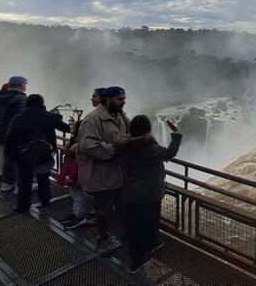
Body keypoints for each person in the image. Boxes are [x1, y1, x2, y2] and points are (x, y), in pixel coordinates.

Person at [77, 86, 143, 253]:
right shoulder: (93, 119)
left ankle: (127, 234)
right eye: (120, 99)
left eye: (123, 98)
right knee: (103, 209)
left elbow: (129, 132)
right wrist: (116, 147)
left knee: (121, 205)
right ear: (108, 100)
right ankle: (103, 239)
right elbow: (87, 146)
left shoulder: (119, 115)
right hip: (100, 174)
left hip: (117, 172)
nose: (124, 102)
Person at [120, 116, 182, 273]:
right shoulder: (147, 148)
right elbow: (169, 152)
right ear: (147, 130)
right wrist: (176, 134)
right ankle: (143, 254)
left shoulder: (125, 145)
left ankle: (139, 255)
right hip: (149, 193)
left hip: (130, 192)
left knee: (135, 225)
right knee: (147, 222)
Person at [5, 94, 70, 213]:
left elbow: (10, 138)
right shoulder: (48, 116)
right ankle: (45, 200)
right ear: (41, 103)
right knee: (44, 177)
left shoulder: (19, 118)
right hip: (44, 151)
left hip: (25, 154)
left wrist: (12, 155)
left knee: (24, 180)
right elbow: (66, 128)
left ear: (27, 104)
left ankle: (23, 206)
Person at [0, 76, 28, 192]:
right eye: (24, 84)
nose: (25, 86)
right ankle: (20, 187)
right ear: (20, 85)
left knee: (5, 162)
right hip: (15, 138)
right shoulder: (20, 99)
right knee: (20, 162)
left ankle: (7, 184)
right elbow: (22, 119)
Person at [57, 133, 93, 229]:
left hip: (73, 178)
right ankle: (77, 215)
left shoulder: (74, 150)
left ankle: (78, 215)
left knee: (78, 197)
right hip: (75, 178)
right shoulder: (81, 148)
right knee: (78, 197)